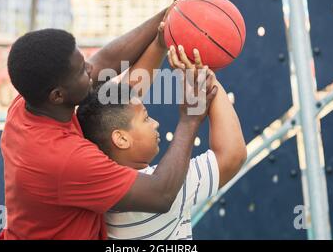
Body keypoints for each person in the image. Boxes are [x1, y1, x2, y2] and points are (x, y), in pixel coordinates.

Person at [0, 0, 218, 240]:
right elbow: (161, 195)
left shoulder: (27, 105)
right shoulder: (64, 159)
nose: (91, 69)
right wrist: (190, 119)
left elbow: (106, 62)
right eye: (82, 71)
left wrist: (164, 23)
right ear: (58, 95)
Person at [78, 48, 247, 240]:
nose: (155, 123)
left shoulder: (101, 189)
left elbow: (115, 107)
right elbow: (233, 155)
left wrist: (160, 42)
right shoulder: (161, 189)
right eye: (146, 118)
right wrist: (208, 79)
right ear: (122, 139)